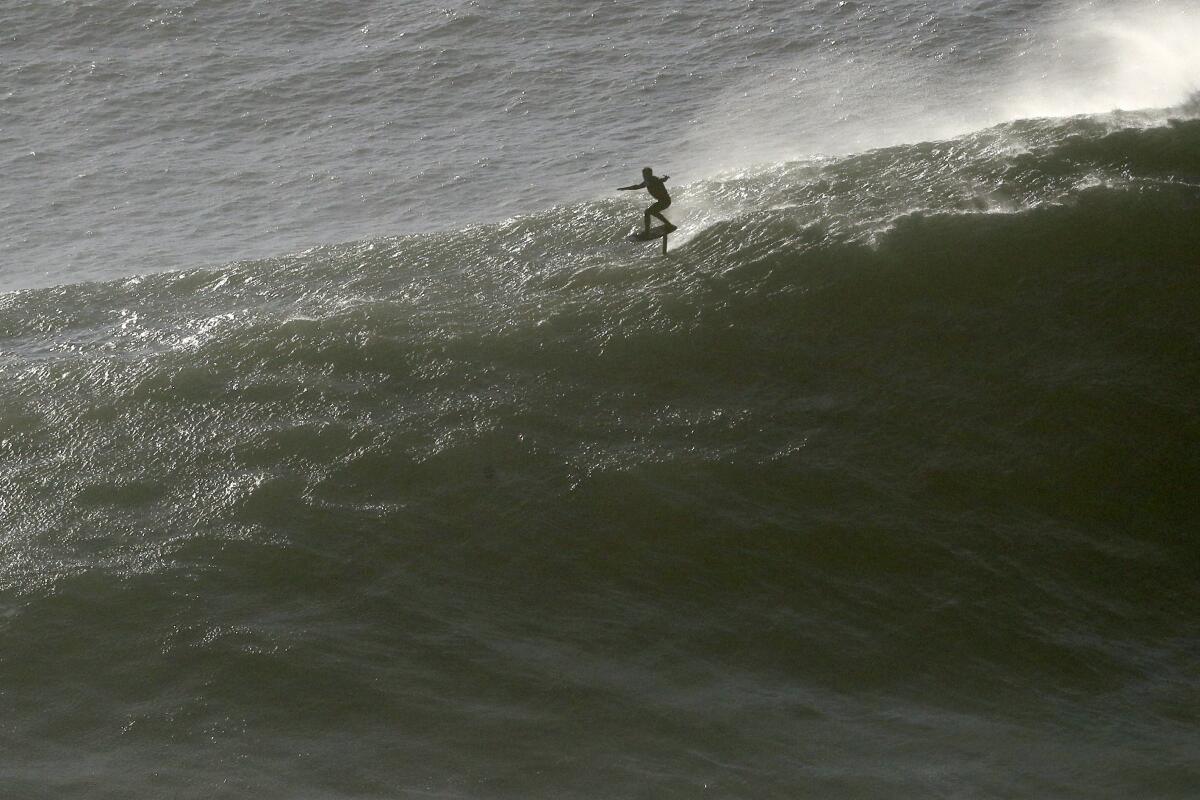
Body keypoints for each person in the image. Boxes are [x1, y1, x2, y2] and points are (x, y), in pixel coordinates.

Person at [619, 167, 675, 233]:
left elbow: (637, 187)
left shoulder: (652, 180)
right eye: (643, 175)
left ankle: (649, 231)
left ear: (649, 175)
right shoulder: (650, 180)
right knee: (650, 212)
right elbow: (661, 180)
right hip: (663, 201)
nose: (643, 176)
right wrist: (665, 178)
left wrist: (625, 188)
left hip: (665, 201)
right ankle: (667, 225)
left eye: (644, 175)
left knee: (649, 212)